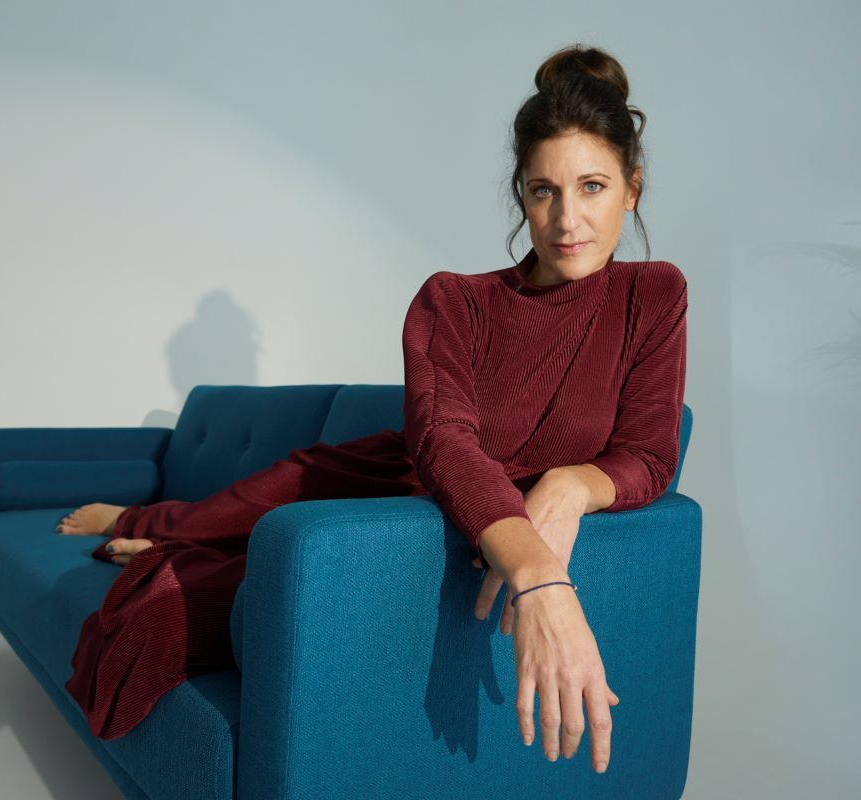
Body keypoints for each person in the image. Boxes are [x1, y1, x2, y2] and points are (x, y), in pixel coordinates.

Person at [56, 43, 687, 779]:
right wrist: (539, 573)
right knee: (242, 504)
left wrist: (571, 485)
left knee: (207, 579)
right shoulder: (454, 300)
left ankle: (164, 548)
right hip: (403, 477)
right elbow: (444, 442)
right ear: (521, 194)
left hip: (420, 520)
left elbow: (648, 454)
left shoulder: (656, 296)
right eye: (543, 190)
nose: (567, 218)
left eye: (592, 186)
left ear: (632, 189)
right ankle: (136, 521)